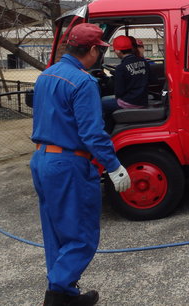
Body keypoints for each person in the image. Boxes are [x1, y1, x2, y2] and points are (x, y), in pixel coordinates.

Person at [30, 23, 131, 305]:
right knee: (81, 235)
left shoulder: (46, 75)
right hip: (69, 164)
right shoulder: (83, 82)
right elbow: (92, 133)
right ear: (93, 50)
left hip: (42, 159)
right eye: (100, 49)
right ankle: (56, 295)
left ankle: (66, 293)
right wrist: (113, 166)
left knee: (56, 232)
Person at [101, 35, 150, 132]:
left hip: (130, 103)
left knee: (102, 103)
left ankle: (107, 132)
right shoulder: (144, 62)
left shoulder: (121, 68)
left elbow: (119, 93)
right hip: (143, 101)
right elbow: (152, 79)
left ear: (117, 51)